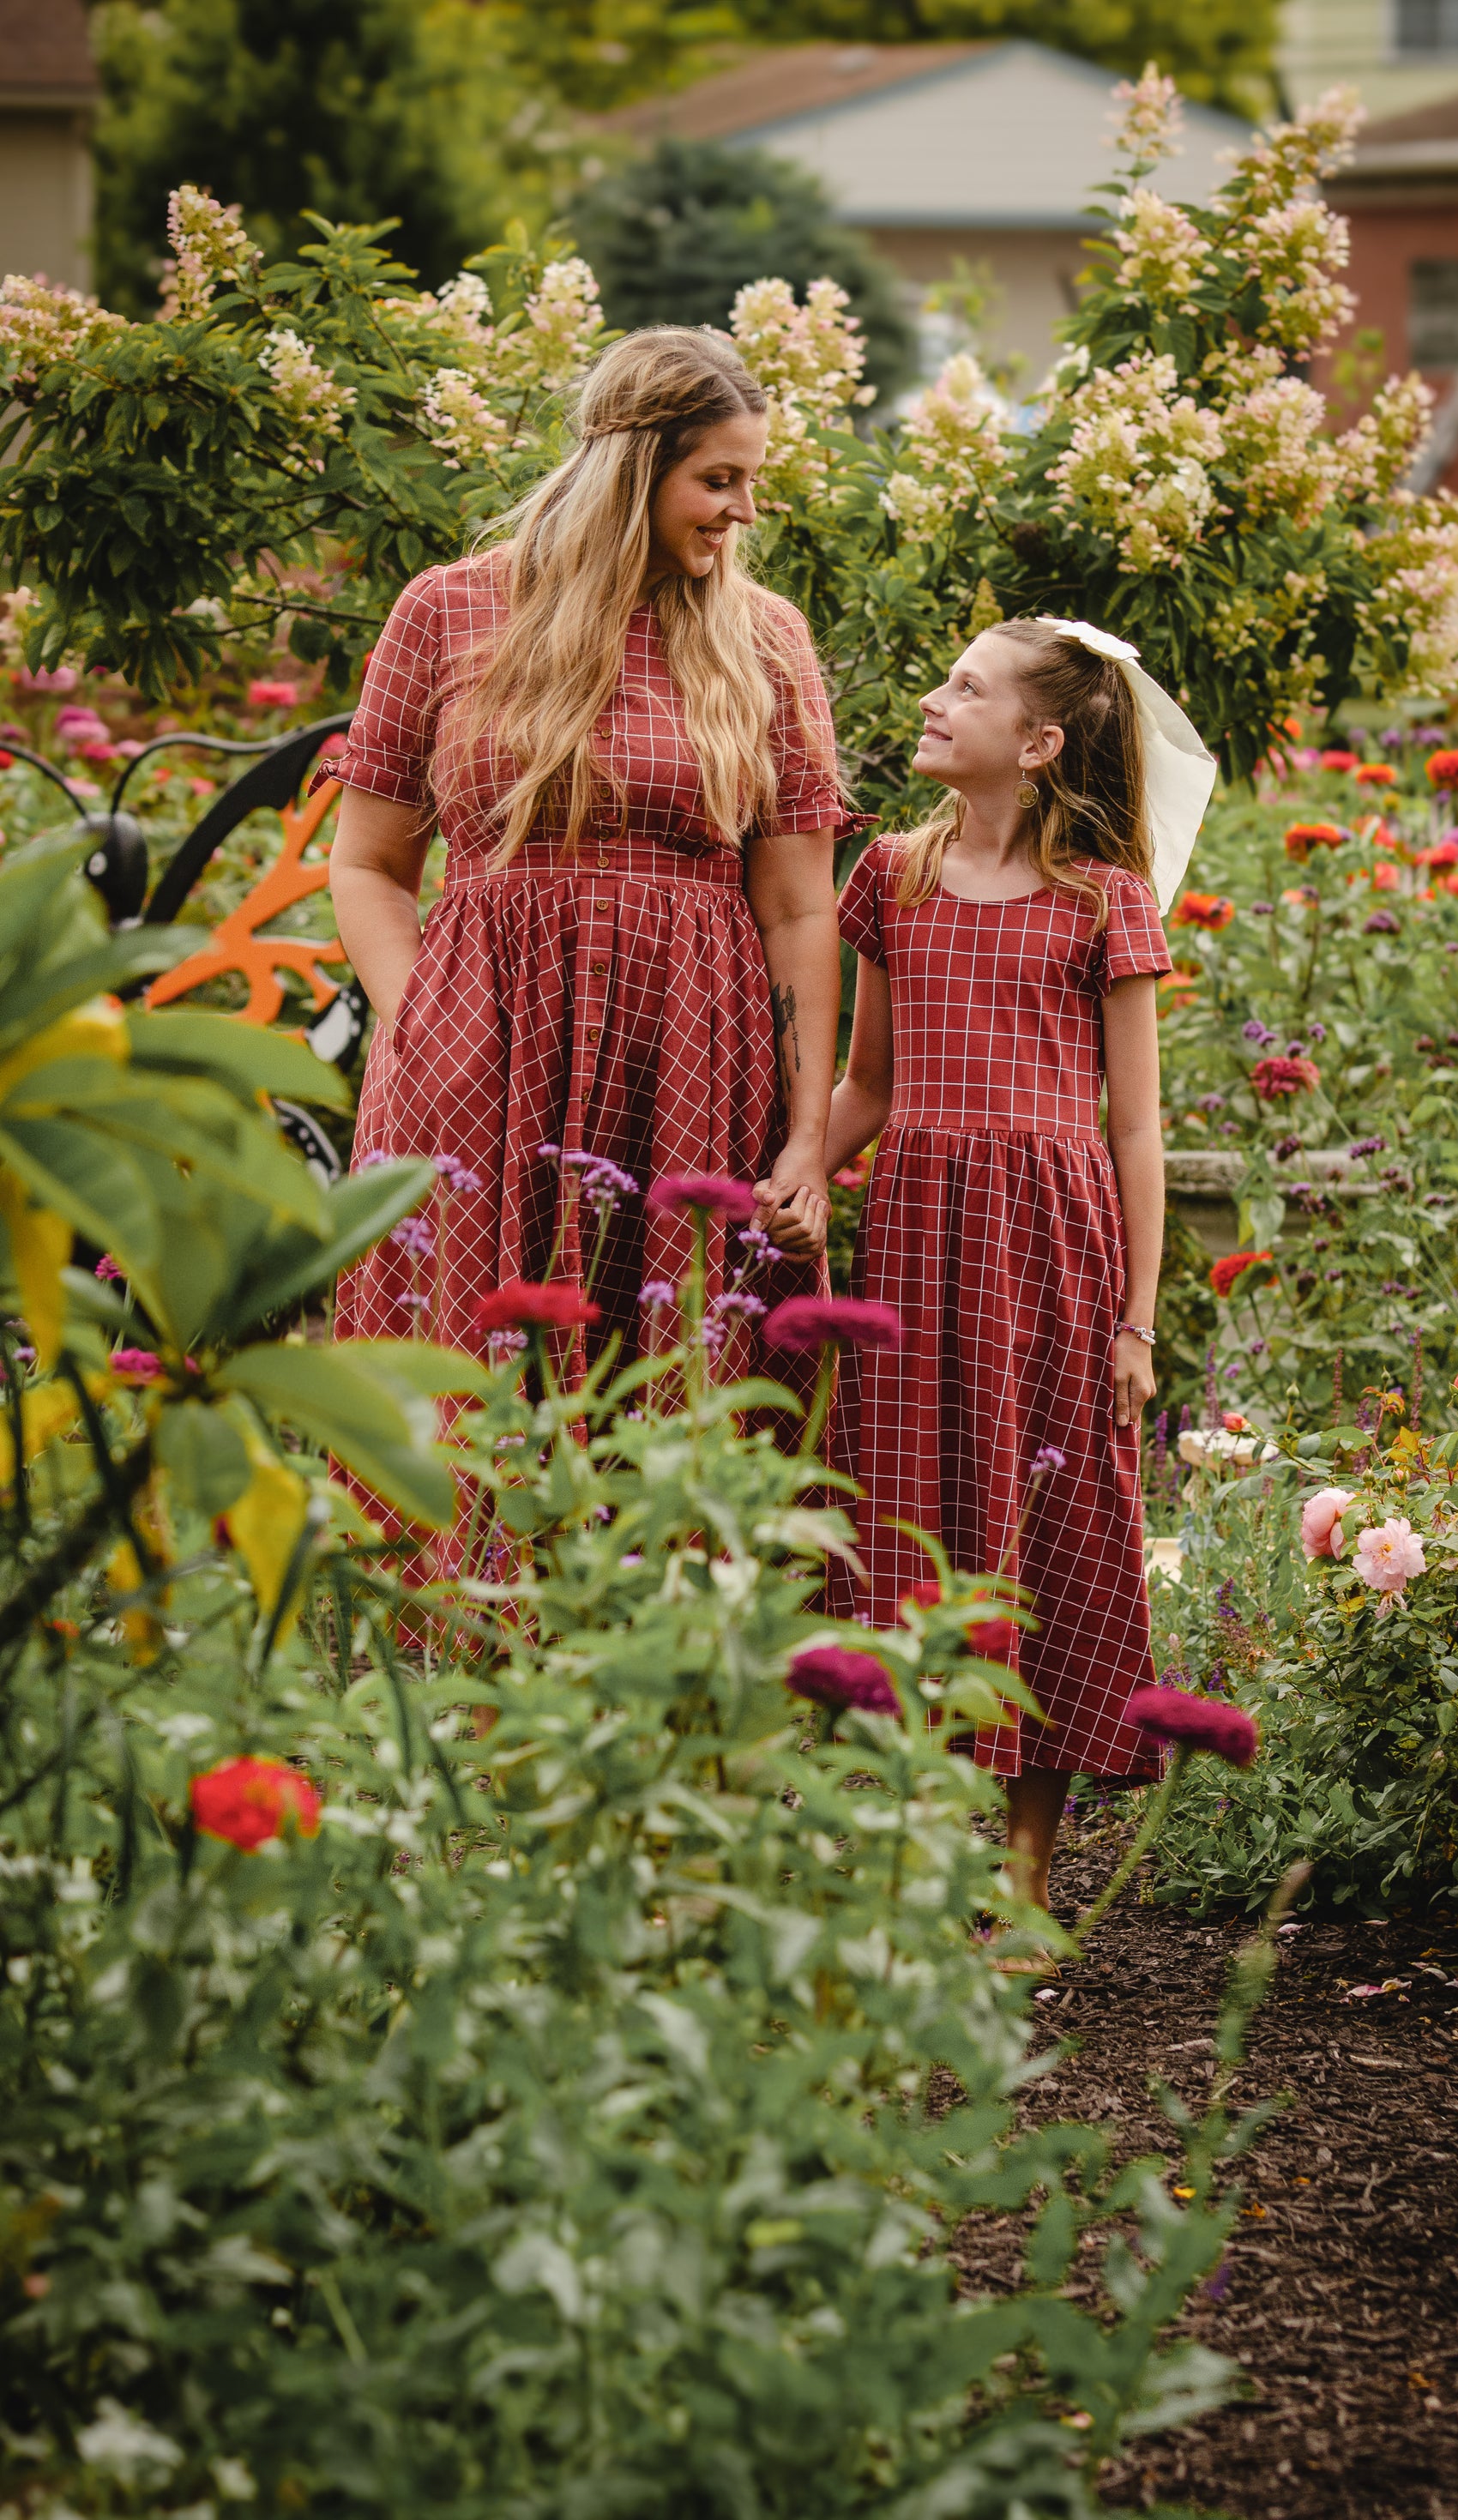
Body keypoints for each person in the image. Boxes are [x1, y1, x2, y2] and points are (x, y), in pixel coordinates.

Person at [327, 327, 846, 1385]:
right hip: (475, 1046)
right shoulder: (447, 607)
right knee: (468, 1375)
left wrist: (805, 1137)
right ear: (633, 465)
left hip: (693, 1057)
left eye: (750, 480)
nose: (742, 510)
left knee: (671, 1381)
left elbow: (797, 906)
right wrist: (419, 1024)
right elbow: (369, 863)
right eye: (719, 479)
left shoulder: (764, 638)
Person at [815, 616, 1214, 1922]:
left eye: (962, 688)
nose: (932, 700)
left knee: (1048, 1531)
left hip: (1051, 1247)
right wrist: (797, 1171)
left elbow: (1136, 1127)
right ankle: (924, 1847)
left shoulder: (1103, 899)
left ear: (1037, 744)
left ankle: (1027, 1868)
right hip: (920, 1236)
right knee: (919, 1513)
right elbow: (867, 1081)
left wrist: (1138, 1320)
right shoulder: (890, 876)